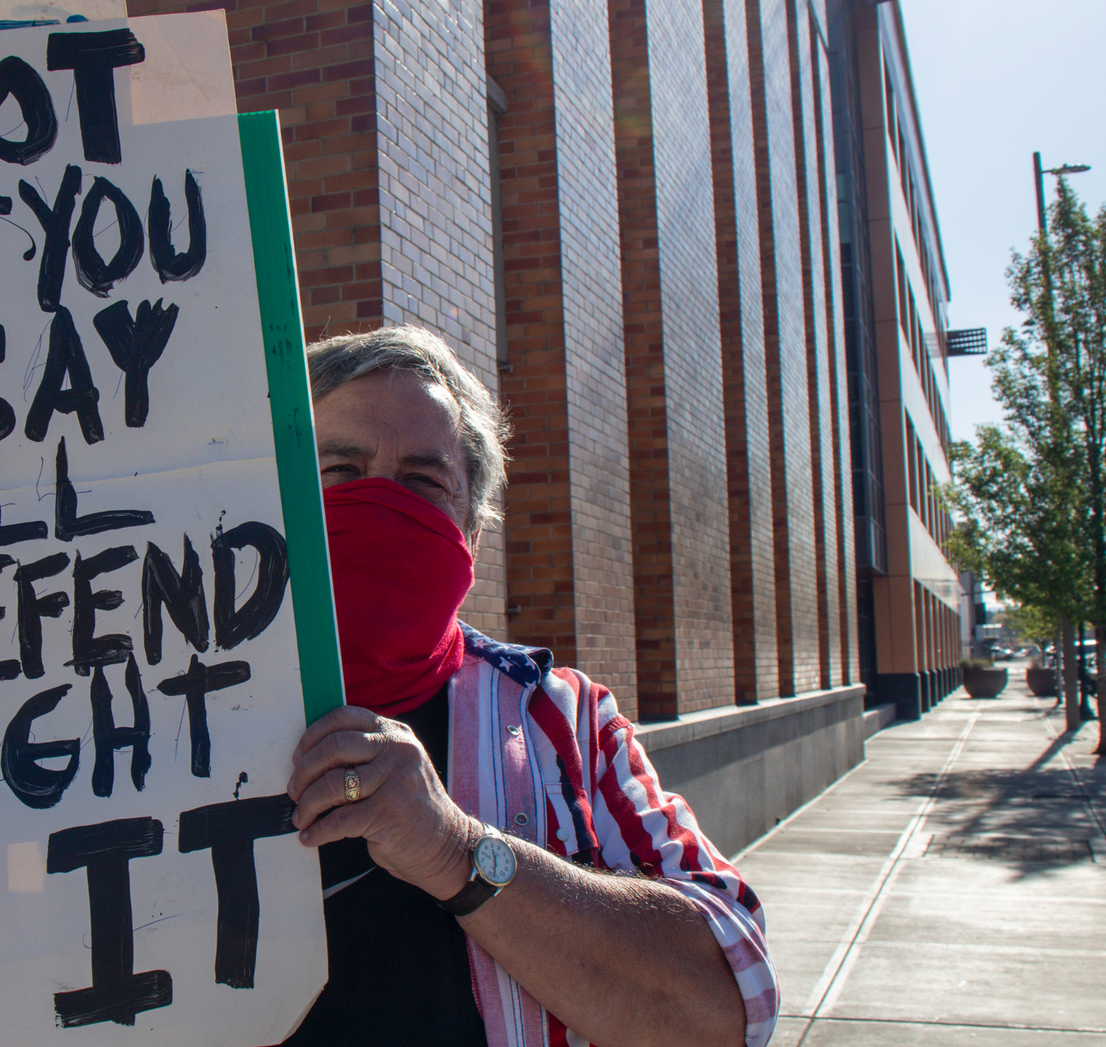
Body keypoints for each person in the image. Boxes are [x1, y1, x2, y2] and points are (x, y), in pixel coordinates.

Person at [281, 326, 775, 1047]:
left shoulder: (567, 723)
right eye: (339, 473)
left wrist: (457, 849)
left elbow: (731, 1007)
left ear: (471, 538)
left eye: (422, 483)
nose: (380, 504)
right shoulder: (155, 718)